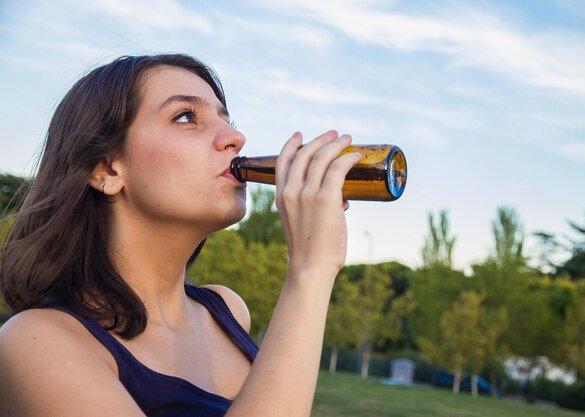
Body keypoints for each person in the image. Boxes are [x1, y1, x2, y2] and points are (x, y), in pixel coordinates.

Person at [0, 54, 362, 417]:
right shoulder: (35, 342)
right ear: (108, 169)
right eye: (186, 117)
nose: (236, 137)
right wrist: (309, 270)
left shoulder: (227, 313)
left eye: (226, 119)